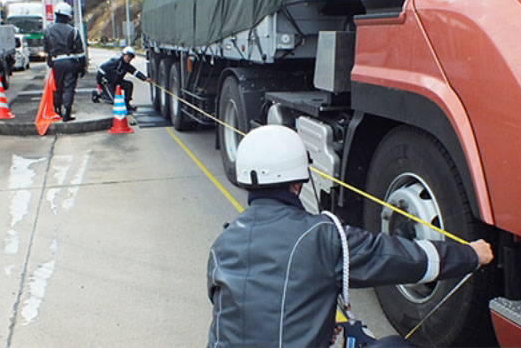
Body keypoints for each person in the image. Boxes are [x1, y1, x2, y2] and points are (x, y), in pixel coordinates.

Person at [206, 125, 494, 347]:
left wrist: (314, 326)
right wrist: (470, 255)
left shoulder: (222, 244)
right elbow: (402, 258)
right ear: (297, 183)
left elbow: (243, 310)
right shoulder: (322, 236)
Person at [43, 2, 86, 122]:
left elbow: (46, 49)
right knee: (69, 87)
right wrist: (82, 66)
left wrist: (50, 61)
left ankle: (57, 111)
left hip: (56, 62)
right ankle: (67, 112)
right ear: (67, 16)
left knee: (57, 87)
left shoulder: (47, 30)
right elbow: (80, 51)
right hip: (70, 61)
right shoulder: (73, 31)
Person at [95, 46, 151, 112]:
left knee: (129, 85)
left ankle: (127, 104)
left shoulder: (127, 66)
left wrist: (144, 78)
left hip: (118, 82)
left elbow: (135, 72)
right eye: (128, 56)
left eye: (131, 57)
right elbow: (101, 69)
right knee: (114, 101)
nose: (129, 59)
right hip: (108, 83)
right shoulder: (115, 62)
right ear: (124, 55)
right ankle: (98, 95)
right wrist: (99, 82)